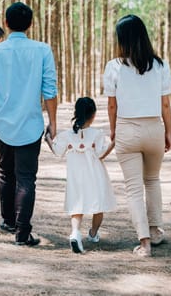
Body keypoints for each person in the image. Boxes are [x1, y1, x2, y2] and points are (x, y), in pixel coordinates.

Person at [0, 2, 58, 246]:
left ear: (7, 24)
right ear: (30, 25)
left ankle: (9, 221)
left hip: (0, 123)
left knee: (5, 171)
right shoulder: (43, 50)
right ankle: (22, 233)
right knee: (26, 178)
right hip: (31, 124)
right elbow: (50, 91)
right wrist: (53, 123)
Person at [103, 14, 171, 257]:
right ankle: (156, 231)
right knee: (152, 180)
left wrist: (113, 131)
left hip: (127, 128)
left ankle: (144, 244)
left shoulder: (114, 66)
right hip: (154, 127)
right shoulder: (160, 65)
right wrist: (168, 132)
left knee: (133, 188)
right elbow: (165, 105)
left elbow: (112, 106)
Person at [45, 97, 116, 254]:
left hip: (76, 175)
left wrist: (48, 138)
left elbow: (57, 151)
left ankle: (75, 233)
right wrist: (113, 143)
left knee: (77, 205)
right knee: (98, 205)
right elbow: (101, 154)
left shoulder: (66, 135)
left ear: (76, 113)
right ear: (93, 115)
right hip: (95, 174)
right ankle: (93, 233)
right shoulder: (97, 134)